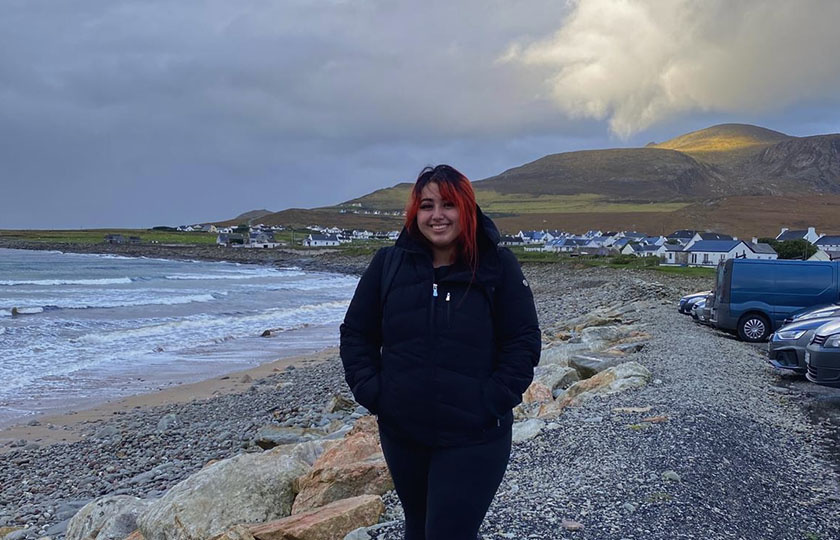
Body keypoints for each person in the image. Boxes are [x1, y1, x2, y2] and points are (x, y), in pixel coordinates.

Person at [340, 164, 541, 539]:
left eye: (448, 205)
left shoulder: (498, 265)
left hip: (475, 435)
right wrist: (376, 394)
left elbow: (523, 341)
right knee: (418, 528)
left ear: (466, 208)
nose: (437, 216)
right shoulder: (387, 265)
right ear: (414, 212)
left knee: (449, 533)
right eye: (427, 205)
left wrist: (492, 400)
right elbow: (356, 334)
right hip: (404, 433)